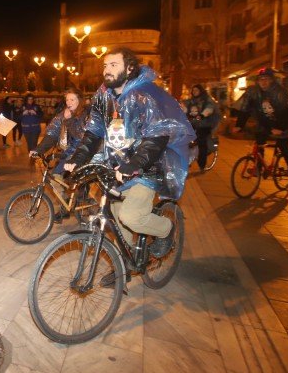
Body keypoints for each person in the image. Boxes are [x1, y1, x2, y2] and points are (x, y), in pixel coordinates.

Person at [63, 47, 195, 259]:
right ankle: (124, 262)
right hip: (117, 165)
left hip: (148, 166)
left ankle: (167, 230)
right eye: (105, 65)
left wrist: (135, 164)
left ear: (129, 68)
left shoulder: (145, 94)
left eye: (113, 65)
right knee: (113, 213)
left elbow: (157, 137)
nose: (107, 70)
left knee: (130, 216)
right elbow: (94, 131)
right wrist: (77, 159)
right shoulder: (103, 95)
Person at [30, 89, 88, 222]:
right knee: (55, 178)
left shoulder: (86, 115)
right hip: (68, 154)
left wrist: (69, 121)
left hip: (83, 154)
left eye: (72, 99)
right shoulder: (64, 115)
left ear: (79, 100)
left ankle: (82, 207)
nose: (69, 102)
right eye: (67, 100)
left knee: (81, 184)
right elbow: (52, 132)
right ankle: (65, 206)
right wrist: (39, 149)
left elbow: (81, 137)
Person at [232, 67, 288, 176]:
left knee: (283, 144)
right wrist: (239, 125)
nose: (263, 82)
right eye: (261, 79)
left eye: (266, 79)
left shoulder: (279, 92)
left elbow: (285, 111)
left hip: (280, 122)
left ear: (272, 80)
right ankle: (258, 168)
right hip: (264, 122)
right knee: (259, 143)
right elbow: (245, 109)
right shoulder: (254, 92)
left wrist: (280, 128)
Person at [183, 84, 219, 172]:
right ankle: (187, 159)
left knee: (202, 144)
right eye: (193, 90)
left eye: (196, 90)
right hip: (193, 123)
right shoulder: (191, 101)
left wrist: (202, 115)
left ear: (201, 91)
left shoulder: (206, 99)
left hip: (204, 125)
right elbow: (185, 108)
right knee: (184, 139)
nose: (194, 92)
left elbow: (209, 108)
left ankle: (202, 165)